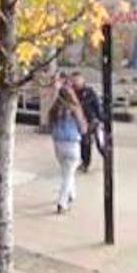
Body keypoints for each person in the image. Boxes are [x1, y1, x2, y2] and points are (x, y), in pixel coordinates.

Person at [48, 86, 87, 214]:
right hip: (72, 143)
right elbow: (83, 128)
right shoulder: (75, 109)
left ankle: (71, 193)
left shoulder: (54, 110)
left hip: (58, 143)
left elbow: (49, 126)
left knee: (66, 171)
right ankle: (62, 202)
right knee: (68, 174)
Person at [70, 72, 104, 172]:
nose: (76, 83)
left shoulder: (89, 92)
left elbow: (97, 106)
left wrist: (100, 119)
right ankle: (85, 162)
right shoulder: (72, 92)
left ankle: (106, 157)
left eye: (77, 80)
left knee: (99, 142)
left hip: (92, 120)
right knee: (84, 142)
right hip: (81, 121)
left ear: (82, 80)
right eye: (74, 80)